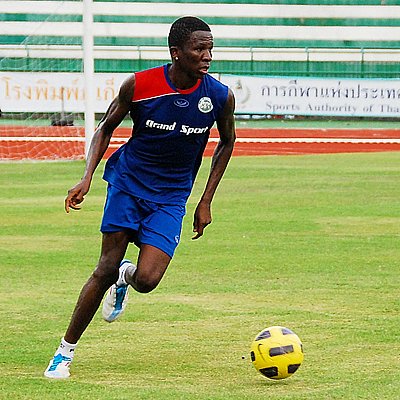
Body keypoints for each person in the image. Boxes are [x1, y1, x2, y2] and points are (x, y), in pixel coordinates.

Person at [44, 16, 236, 379]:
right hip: (128, 185)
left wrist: (206, 199)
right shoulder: (141, 84)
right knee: (104, 267)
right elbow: (105, 128)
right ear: (176, 53)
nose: (207, 55)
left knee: (147, 280)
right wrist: (86, 178)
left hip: (171, 196)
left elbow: (227, 142)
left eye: (210, 48)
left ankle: (126, 278)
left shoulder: (219, 96)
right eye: (199, 48)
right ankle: (64, 353)